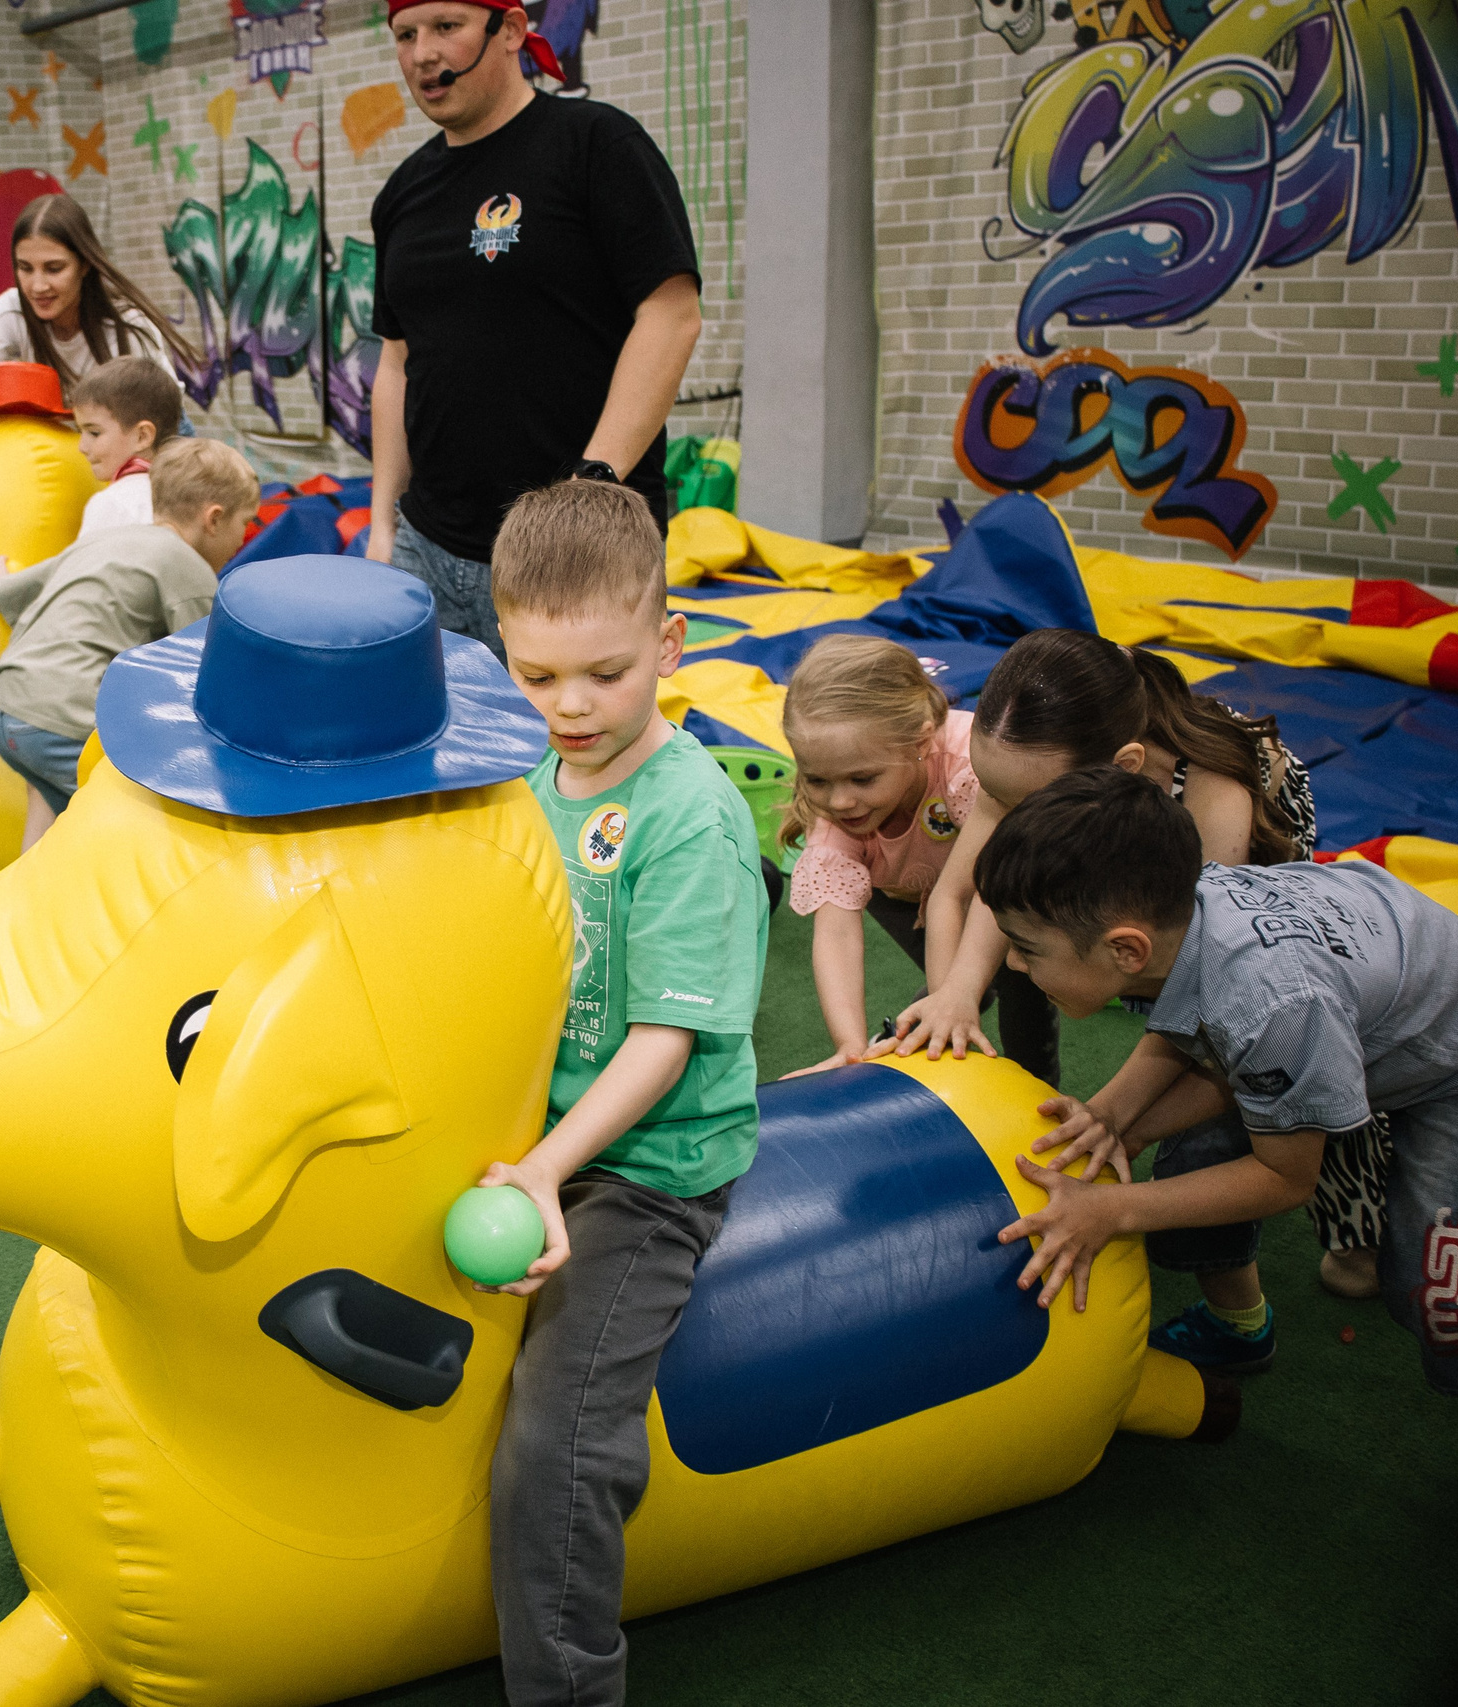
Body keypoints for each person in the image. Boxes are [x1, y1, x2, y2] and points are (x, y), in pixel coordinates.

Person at [474, 478, 764, 1706]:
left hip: (647, 1171)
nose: (571, 707)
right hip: (533, 1133)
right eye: (537, 678)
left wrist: (548, 1169)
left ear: (668, 642)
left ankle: (568, 1693)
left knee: (555, 1441)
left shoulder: (688, 819)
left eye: (602, 672)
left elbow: (660, 1043)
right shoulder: (534, 778)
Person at [878, 628, 1348, 1365]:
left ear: (1122, 770)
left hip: (1262, 971)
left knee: (1245, 1152)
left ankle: (1241, 1313)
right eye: (992, 793)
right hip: (1154, 946)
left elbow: (1208, 1011)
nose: (998, 810)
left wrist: (1121, 1115)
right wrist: (955, 997)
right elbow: (962, 891)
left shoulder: (1214, 816)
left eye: (1014, 801)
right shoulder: (1036, 765)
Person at [977, 767, 1458, 1403]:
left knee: (1436, 1293)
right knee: (1198, 1157)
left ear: (1127, 950)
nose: (1013, 964)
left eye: (1026, 948)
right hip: (1370, 989)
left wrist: (1113, 1209)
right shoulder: (1189, 912)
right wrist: (1113, 1118)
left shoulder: (1269, 1003)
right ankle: (1238, 1324)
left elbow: (1286, 1178)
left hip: (1452, 1065)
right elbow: (1206, 1035)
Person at [363, 0, 705, 661]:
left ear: (512, 30)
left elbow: (671, 315)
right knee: (434, 756)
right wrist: (383, 522)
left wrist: (591, 484)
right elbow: (397, 364)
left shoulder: (596, 145)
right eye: (406, 35)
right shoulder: (402, 193)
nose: (423, 53)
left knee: (572, 754)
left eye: (446, 27)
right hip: (428, 547)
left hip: (576, 550)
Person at [0, 437, 259, 848]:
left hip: (8, 709)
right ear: (214, 519)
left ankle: (29, 903)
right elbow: (211, 678)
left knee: (58, 833)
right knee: (143, 825)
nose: (244, 539)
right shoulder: (187, 568)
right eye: (245, 523)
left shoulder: (105, 542)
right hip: (64, 720)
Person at [778, 635, 980, 1075]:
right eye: (817, 780)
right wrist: (849, 1048)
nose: (841, 802)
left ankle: (1038, 1083)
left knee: (1005, 986)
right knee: (948, 991)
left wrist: (952, 998)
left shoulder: (968, 766)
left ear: (920, 743)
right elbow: (835, 932)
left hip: (989, 887)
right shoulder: (836, 818)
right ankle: (895, 1043)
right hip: (901, 886)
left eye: (862, 779)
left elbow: (968, 893)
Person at [0, 193, 194, 451]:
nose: (38, 285)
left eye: (54, 269)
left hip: (155, 440)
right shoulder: (12, 311)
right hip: (84, 447)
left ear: (84, 264)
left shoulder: (127, 326)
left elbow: (162, 428)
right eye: (25, 268)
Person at [69, 355, 182, 541]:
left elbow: (85, 569)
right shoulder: (183, 494)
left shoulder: (114, 502)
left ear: (142, 436)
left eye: (94, 433)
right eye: (79, 431)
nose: (82, 447)